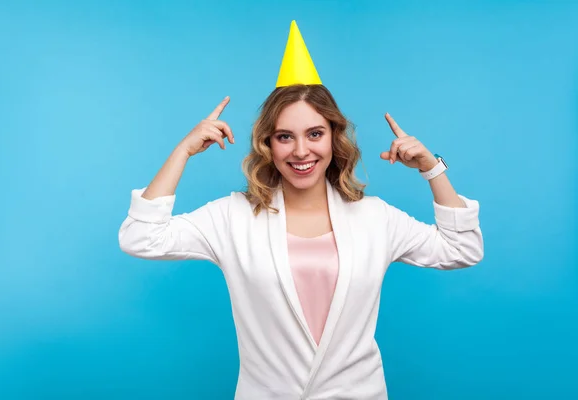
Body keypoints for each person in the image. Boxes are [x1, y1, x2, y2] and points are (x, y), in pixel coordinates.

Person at [118, 21, 484, 400]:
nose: (300, 151)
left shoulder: (375, 218)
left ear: (333, 137)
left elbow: (463, 249)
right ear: (268, 145)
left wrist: (431, 167)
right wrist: (182, 152)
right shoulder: (233, 217)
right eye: (284, 137)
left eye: (314, 134)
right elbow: (140, 237)